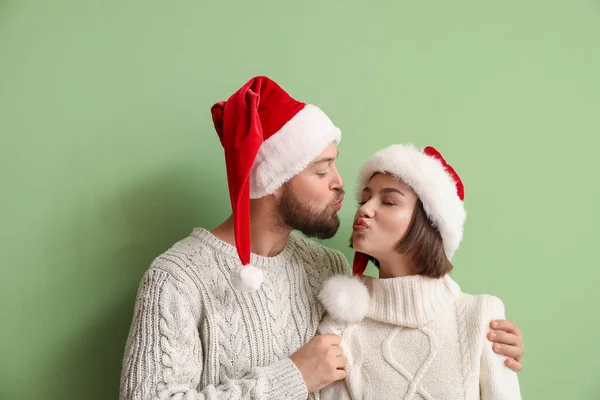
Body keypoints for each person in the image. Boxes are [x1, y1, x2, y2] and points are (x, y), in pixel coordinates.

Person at [119, 77, 524, 400]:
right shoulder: (176, 279)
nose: (341, 185)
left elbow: (408, 320)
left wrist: (487, 342)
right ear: (275, 180)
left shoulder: (330, 272)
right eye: (321, 170)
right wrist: (292, 377)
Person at [318, 144, 521, 399]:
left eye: (389, 201)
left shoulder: (481, 317)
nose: (364, 209)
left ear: (429, 222)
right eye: (365, 199)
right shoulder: (339, 327)